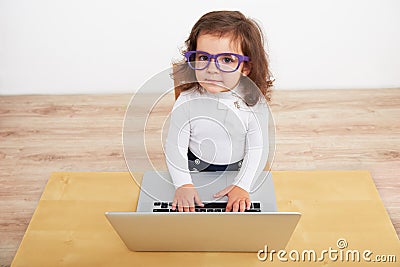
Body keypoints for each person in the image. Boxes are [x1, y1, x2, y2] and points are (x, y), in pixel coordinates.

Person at [165, 10, 274, 212]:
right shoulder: (187, 101)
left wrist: (243, 185)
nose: (212, 69)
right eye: (204, 57)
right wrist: (183, 184)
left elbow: (258, 148)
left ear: (245, 68)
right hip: (196, 165)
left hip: (240, 166)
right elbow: (175, 147)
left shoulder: (254, 103)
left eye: (227, 60)